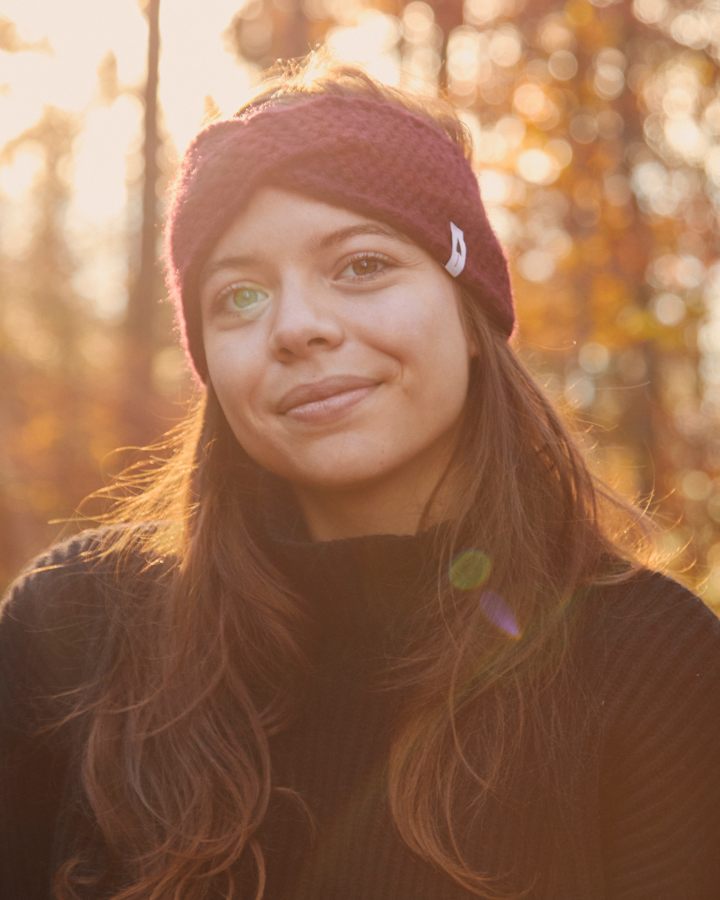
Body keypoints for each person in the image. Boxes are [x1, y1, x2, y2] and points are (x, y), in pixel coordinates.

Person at [2, 51, 719, 900]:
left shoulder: (652, 664)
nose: (297, 326)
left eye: (362, 265)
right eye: (239, 296)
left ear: (469, 306)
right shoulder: (71, 630)